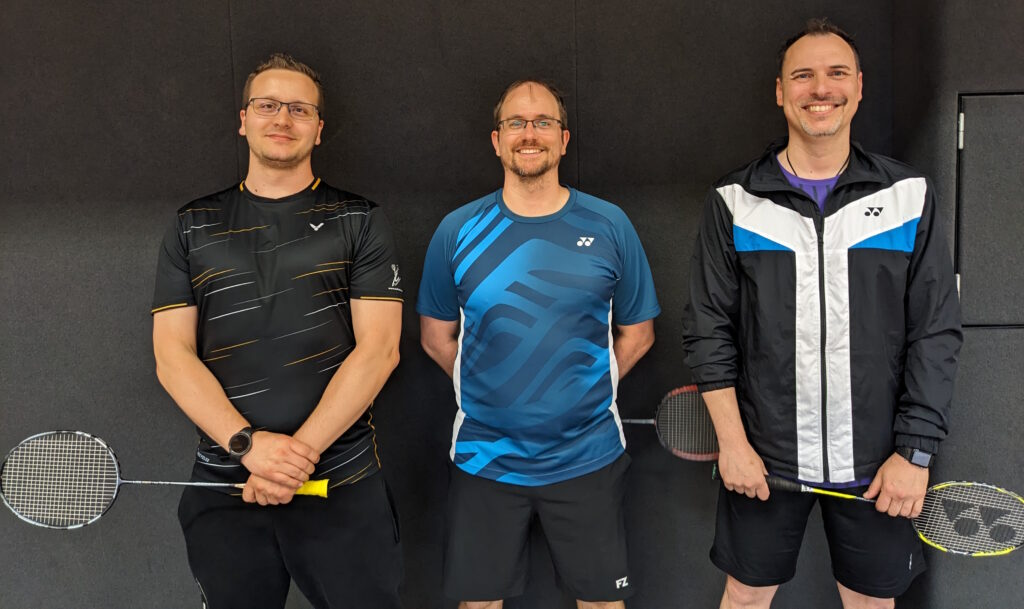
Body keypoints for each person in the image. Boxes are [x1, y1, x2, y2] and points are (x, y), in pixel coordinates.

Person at [682, 18, 962, 609]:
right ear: (780, 91)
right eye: (802, 75)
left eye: (836, 74)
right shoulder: (735, 201)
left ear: (858, 87)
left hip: (878, 463)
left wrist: (914, 453)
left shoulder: (907, 195)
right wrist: (733, 445)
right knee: (744, 596)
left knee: (870, 603)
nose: (820, 89)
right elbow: (708, 332)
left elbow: (935, 331)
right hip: (764, 460)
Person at [151, 53, 404, 609]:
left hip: (339, 481)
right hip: (226, 482)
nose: (282, 119)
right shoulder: (193, 224)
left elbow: (380, 350)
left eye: (299, 109)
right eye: (267, 105)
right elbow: (172, 355)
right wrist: (247, 446)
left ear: (319, 128)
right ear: (244, 120)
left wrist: (294, 458)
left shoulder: (359, 219)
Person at [418, 79, 660, 609]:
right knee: (479, 603)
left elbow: (639, 333)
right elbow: (436, 337)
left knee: (602, 604)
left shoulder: (609, 224)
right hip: (485, 458)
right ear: (496, 139)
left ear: (564, 139)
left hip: (587, 455)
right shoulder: (457, 230)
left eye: (543, 122)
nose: (530, 134)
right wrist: (495, 393)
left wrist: (583, 392)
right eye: (516, 123)